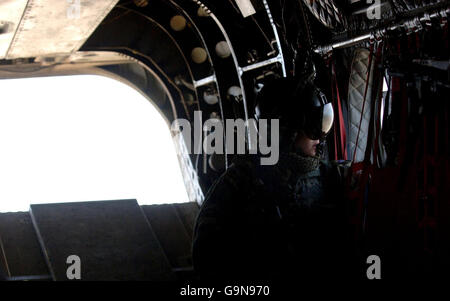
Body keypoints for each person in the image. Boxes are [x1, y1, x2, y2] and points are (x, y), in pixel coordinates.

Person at [192, 77, 350, 281]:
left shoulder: (330, 176)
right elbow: (207, 259)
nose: (320, 137)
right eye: (312, 126)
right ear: (286, 131)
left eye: (323, 123)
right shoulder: (241, 181)